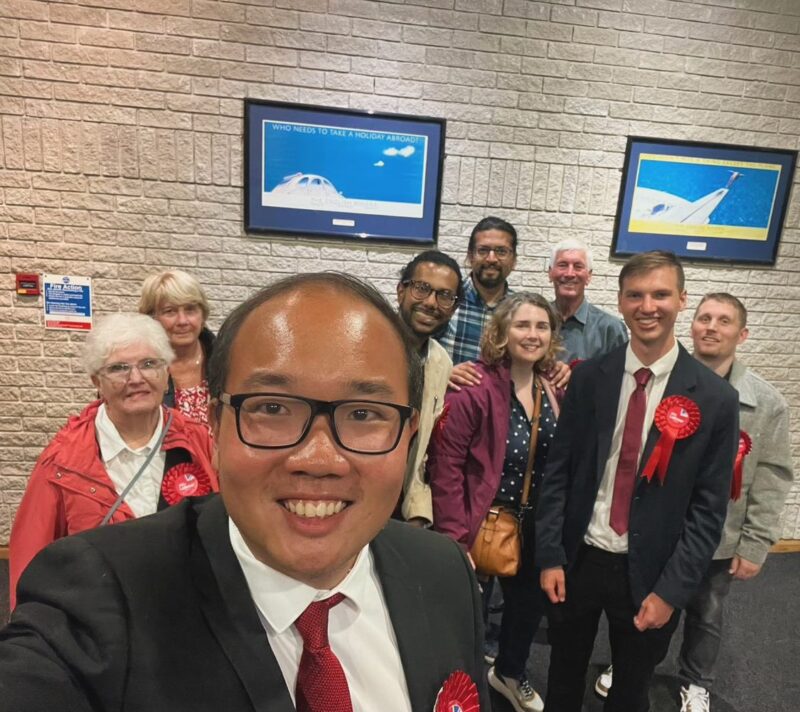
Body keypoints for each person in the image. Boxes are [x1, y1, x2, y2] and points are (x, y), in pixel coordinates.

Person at [0, 273, 490, 712]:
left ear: (408, 434)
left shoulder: (443, 573)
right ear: (215, 424)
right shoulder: (101, 595)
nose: (319, 460)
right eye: (272, 408)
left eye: (364, 413)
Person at [535, 251, 739, 712]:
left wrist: (672, 591)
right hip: (578, 558)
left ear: (682, 300)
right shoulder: (589, 379)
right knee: (563, 676)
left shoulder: (716, 399)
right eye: (635, 295)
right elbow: (558, 474)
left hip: (651, 570)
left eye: (661, 294)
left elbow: (709, 511)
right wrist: (549, 554)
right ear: (622, 302)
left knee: (631, 688)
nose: (648, 306)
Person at [595, 293, 794, 712]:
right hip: (658, 531)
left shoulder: (767, 402)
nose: (711, 327)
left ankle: (695, 679)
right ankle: (629, 667)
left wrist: (755, 543)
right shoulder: (663, 383)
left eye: (724, 321)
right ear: (692, 323)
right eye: (704, 317)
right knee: (642, 606)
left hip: (719, 535)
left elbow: (772, 478)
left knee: (706, 612)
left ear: (742, 334)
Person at [8, 313, 217, 610]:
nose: (136, 379)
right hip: (100, 617)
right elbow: (30, 557)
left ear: (166, 372)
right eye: (119, 368)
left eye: (149, 364)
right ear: (97, 381)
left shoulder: (200, 442)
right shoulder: (61, 461)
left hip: (187, 612)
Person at [429, 293, 564, 712]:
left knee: (526, 610)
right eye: (522, 325)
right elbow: (446, 466)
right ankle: (457, 690)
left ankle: (508, 673)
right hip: (479, 521)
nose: (532, 334)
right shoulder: (474, 388)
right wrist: (455, 537)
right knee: (468, 616)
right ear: (502, 332)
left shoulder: (551, 388)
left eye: (542, 326)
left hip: (533, 525)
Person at [395, 250, 462, 526]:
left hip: (401, 512)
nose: (432, 303)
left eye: (445, 296)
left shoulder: (441, 362)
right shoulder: (366, 345)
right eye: (422, 289)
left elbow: (421, 451)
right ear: (402, 290)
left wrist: (418, 513)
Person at [437, 215, 518, 366]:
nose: (491, 259)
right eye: (483, 250)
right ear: (470, 256)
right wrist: (443, 374)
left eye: (501, 251)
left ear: (514, 260)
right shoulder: (445, 298)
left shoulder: (520, 309)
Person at [139, 269, 215, 427]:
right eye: (170, 311)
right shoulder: (138, 369)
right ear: (152, 319)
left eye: (190, 309)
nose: (182, 321)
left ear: (202, 314)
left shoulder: (225, 359)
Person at [548, 237, 627, 363]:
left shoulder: (610, 329)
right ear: (550, 273)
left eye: (578, 266)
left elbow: (617, 378)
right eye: (562, 265)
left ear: (589, 276)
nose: (569, 273)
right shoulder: (536, 320)